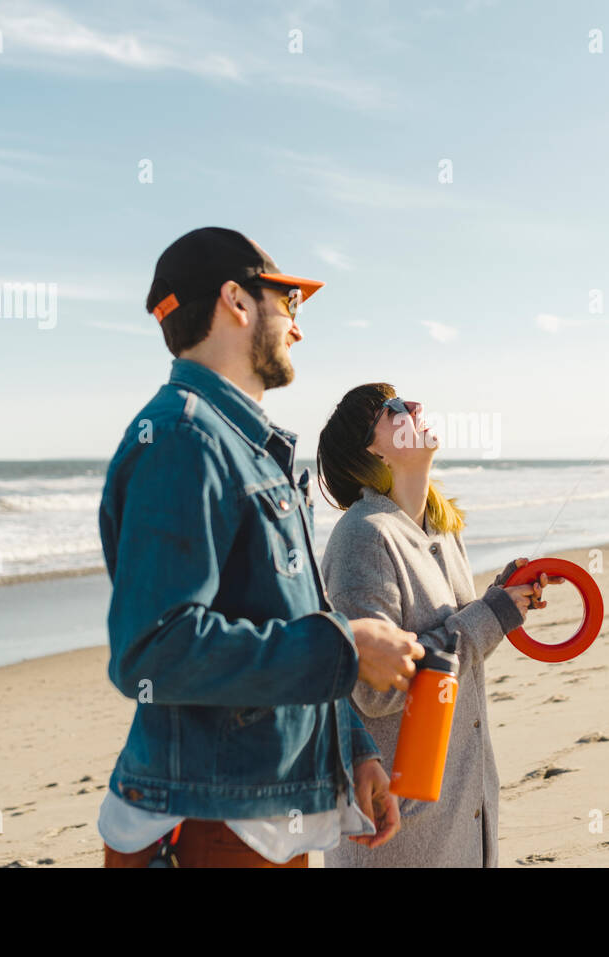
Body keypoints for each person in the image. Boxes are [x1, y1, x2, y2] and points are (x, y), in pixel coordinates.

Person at [96, 227, 425, 868]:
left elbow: (289, 623)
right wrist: (349, 647)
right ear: (236, 302)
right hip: (204, 824)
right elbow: (152, 651)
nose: (297, 328)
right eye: (290, 305)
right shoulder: (182, 440)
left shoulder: (252, 450)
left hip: (266, 818)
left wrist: (351, 749)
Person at [316, 384, 563, 867]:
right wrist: (490, 614)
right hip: (402, 834)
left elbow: (454, 642)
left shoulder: (441, 530)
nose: (415, 407)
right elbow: (375, 690)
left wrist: (500, 599)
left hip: (464, 809)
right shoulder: (363, 536)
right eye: (394, 410)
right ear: (371, 449)